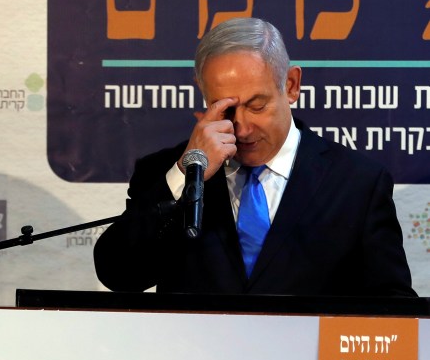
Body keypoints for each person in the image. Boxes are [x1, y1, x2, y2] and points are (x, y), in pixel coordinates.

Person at [93, 17, 416, 297]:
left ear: (290, 85)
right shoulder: (163, 172)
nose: (242, 128)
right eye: (226, 108)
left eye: (257, 105)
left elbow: (391, 301)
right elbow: (120, 276)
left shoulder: (356, 181)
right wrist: (187, 173)